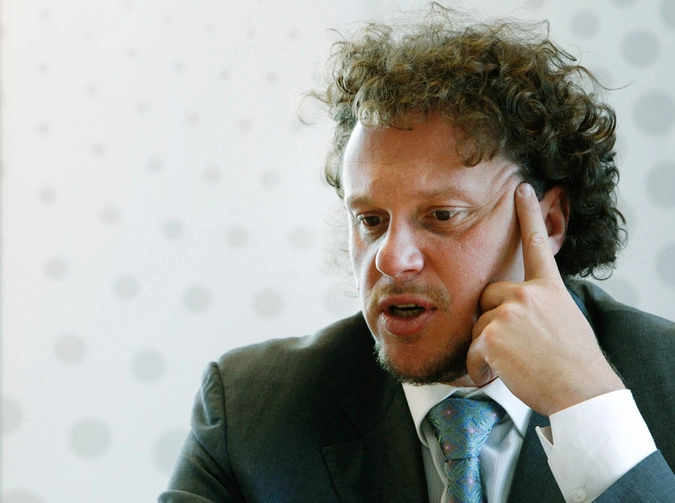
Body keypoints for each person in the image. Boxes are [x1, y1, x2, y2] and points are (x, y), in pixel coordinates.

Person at [159, 4, 675, 502]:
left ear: (550, 222)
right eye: (371, 220)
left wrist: (586, 407)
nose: (391, 259)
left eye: (442, 216)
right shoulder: (249, 413)